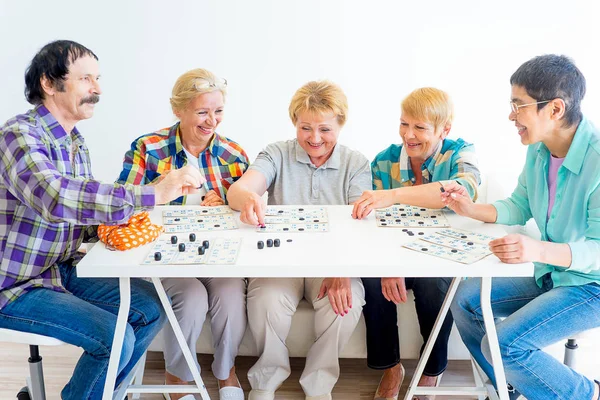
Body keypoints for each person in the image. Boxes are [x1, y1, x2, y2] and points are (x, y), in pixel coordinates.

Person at [0, 40, 203, 400]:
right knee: (114, 337)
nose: (97, 89)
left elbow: (84, 214)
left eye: (98, 78)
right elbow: (57, 197)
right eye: (85, 79)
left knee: (148, 310)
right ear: (49, 82)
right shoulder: (18, 136)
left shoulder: (75, 143)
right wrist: (152, 193)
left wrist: (147, 217)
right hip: (13, 285)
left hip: (58, 268)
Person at [444, 54, 600, 400]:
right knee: (466, 299)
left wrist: (537, 250)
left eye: (519, 105)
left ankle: (586, 393)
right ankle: (511, 386)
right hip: (553, 274)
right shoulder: (539, 150)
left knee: (504, 344)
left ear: (555, 109)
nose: (511, 115)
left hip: (592, 287)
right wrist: (469, 208)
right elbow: (518, 204)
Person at [227, 80, 371, 400]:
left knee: (345, 304)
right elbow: (240, 188)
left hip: (333, 260)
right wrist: (247, 198)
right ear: (294, 122)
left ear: (341, 124)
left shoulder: (355, 163)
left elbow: (359, 223)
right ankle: (266, 379)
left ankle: (319, 384)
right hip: (282, 260)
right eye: (306, 127)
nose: (315, 138)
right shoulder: (276, 153)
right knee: (266, 298)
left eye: (325, 129)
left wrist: (343, 270)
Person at [117, 68, 249, 400]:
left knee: (232, 292)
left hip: (216, 255)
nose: (212, 121)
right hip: (163, 257)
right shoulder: (147, 149)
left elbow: (247, 212)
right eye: (202, 111)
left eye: (218, 111)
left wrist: (227, 204)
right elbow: (119, 204)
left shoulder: (234, 155)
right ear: (179, 110)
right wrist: (163, 188)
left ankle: (226, 371)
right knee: (191, 298)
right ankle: (177, 378)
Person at [351, 87, 481, 399]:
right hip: (396, 251)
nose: (408, 135)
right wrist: (389, 265)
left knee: (433, 281)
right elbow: (373, 223)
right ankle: (390, 367)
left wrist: (394, 196)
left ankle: (432, 368)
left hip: (443, 254)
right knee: (371, 278)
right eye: (404, 124)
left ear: (444, 129)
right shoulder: (384, 161)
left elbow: (463, 191)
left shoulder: (460, 153)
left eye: (420, 127)